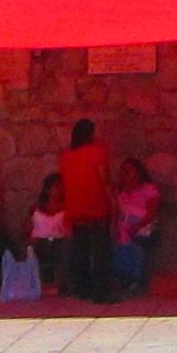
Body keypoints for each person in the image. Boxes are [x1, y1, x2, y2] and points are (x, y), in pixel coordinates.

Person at [59, 118, 115, 303]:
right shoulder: (98, 152)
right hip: (96, 206)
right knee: (101, 253)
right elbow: (104, 180)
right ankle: (101, 293)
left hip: (75, 208)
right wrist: (114, 202)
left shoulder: (66, 156)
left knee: (81, 252)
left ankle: (82, 289)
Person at [113, 157, 161, 296]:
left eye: (130, 170)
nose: (126, 173)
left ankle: (136, 281)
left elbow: (152, 213)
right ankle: (122, 278)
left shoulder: (149, 189)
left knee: (137, 247)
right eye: (124, 170)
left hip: (142, 226)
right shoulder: (119, 193)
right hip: (123, 227)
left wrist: (136, 226)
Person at [29, 173, 70, 287]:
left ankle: (63, 283)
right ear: (48, 189)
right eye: (56, 186)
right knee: (31, 248)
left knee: (66, 247)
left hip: (59, 241)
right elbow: (29, 228)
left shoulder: (67, 207)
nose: (60, 190)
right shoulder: (36, 207)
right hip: (40, 241)